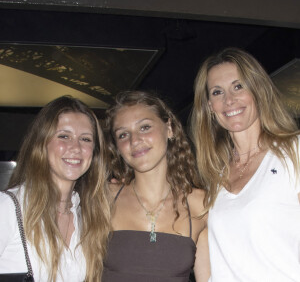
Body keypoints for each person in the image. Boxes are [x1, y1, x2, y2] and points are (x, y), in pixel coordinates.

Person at [190, 47, 300, 281]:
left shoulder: (294, 150)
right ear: (210, 106)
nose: (229, 100)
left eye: (238, 86)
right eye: (217, 92)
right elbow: (209, 249)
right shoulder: (211, 172)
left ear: (258, 90)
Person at [102, 90, 210, 282]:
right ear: (117, 147)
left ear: (169, 128)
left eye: (144, 127)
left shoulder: (201, 204)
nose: (134, 141)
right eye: (123, 134)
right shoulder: (103, 198)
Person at [0, 96, 111, 281]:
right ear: (42, 142)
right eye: (64, 136)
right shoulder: (8, 208)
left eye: (85, 139)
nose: (75, 147)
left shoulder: (88, 216)